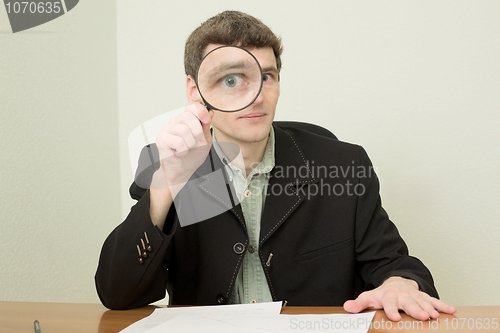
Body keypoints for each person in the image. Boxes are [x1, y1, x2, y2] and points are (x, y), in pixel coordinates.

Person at [95, 10, 456, 321]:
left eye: (266, 76)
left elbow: (396, 265)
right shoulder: (168, 164)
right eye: (231, 80)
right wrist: (168, 186)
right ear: (195, 91)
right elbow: (117, 293)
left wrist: (398, 284)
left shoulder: (342, 164)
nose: (257, 96)